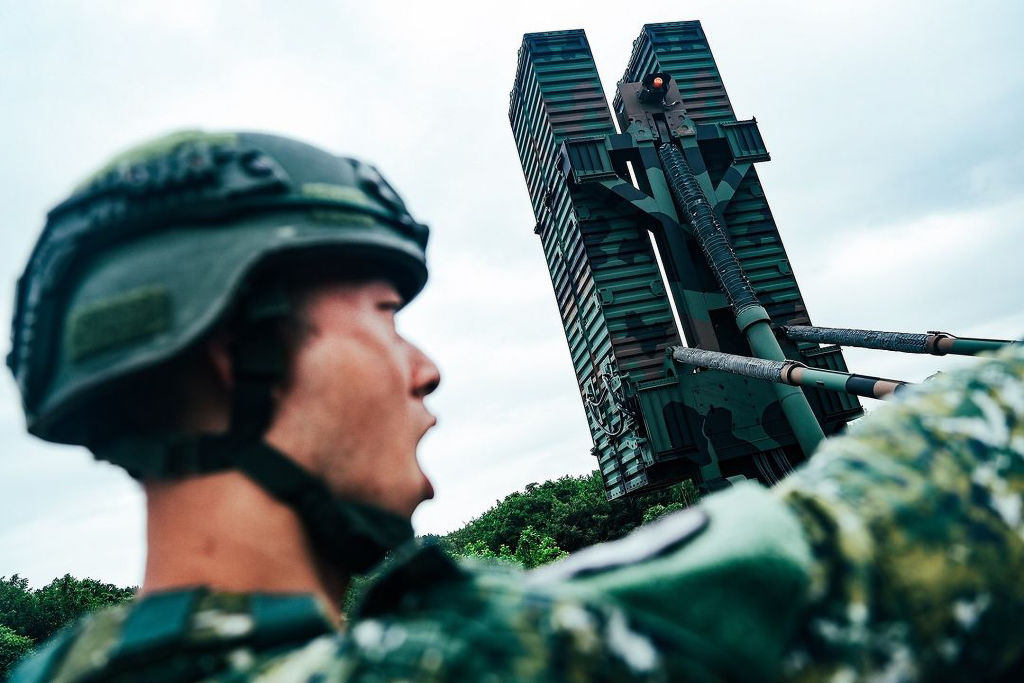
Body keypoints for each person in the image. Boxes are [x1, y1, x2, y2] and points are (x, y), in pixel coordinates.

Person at [8, 130, 1022, 682]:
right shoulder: (493, 659)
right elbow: (943, 494)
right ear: (241, 353)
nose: (425, 368)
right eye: (384, 317)